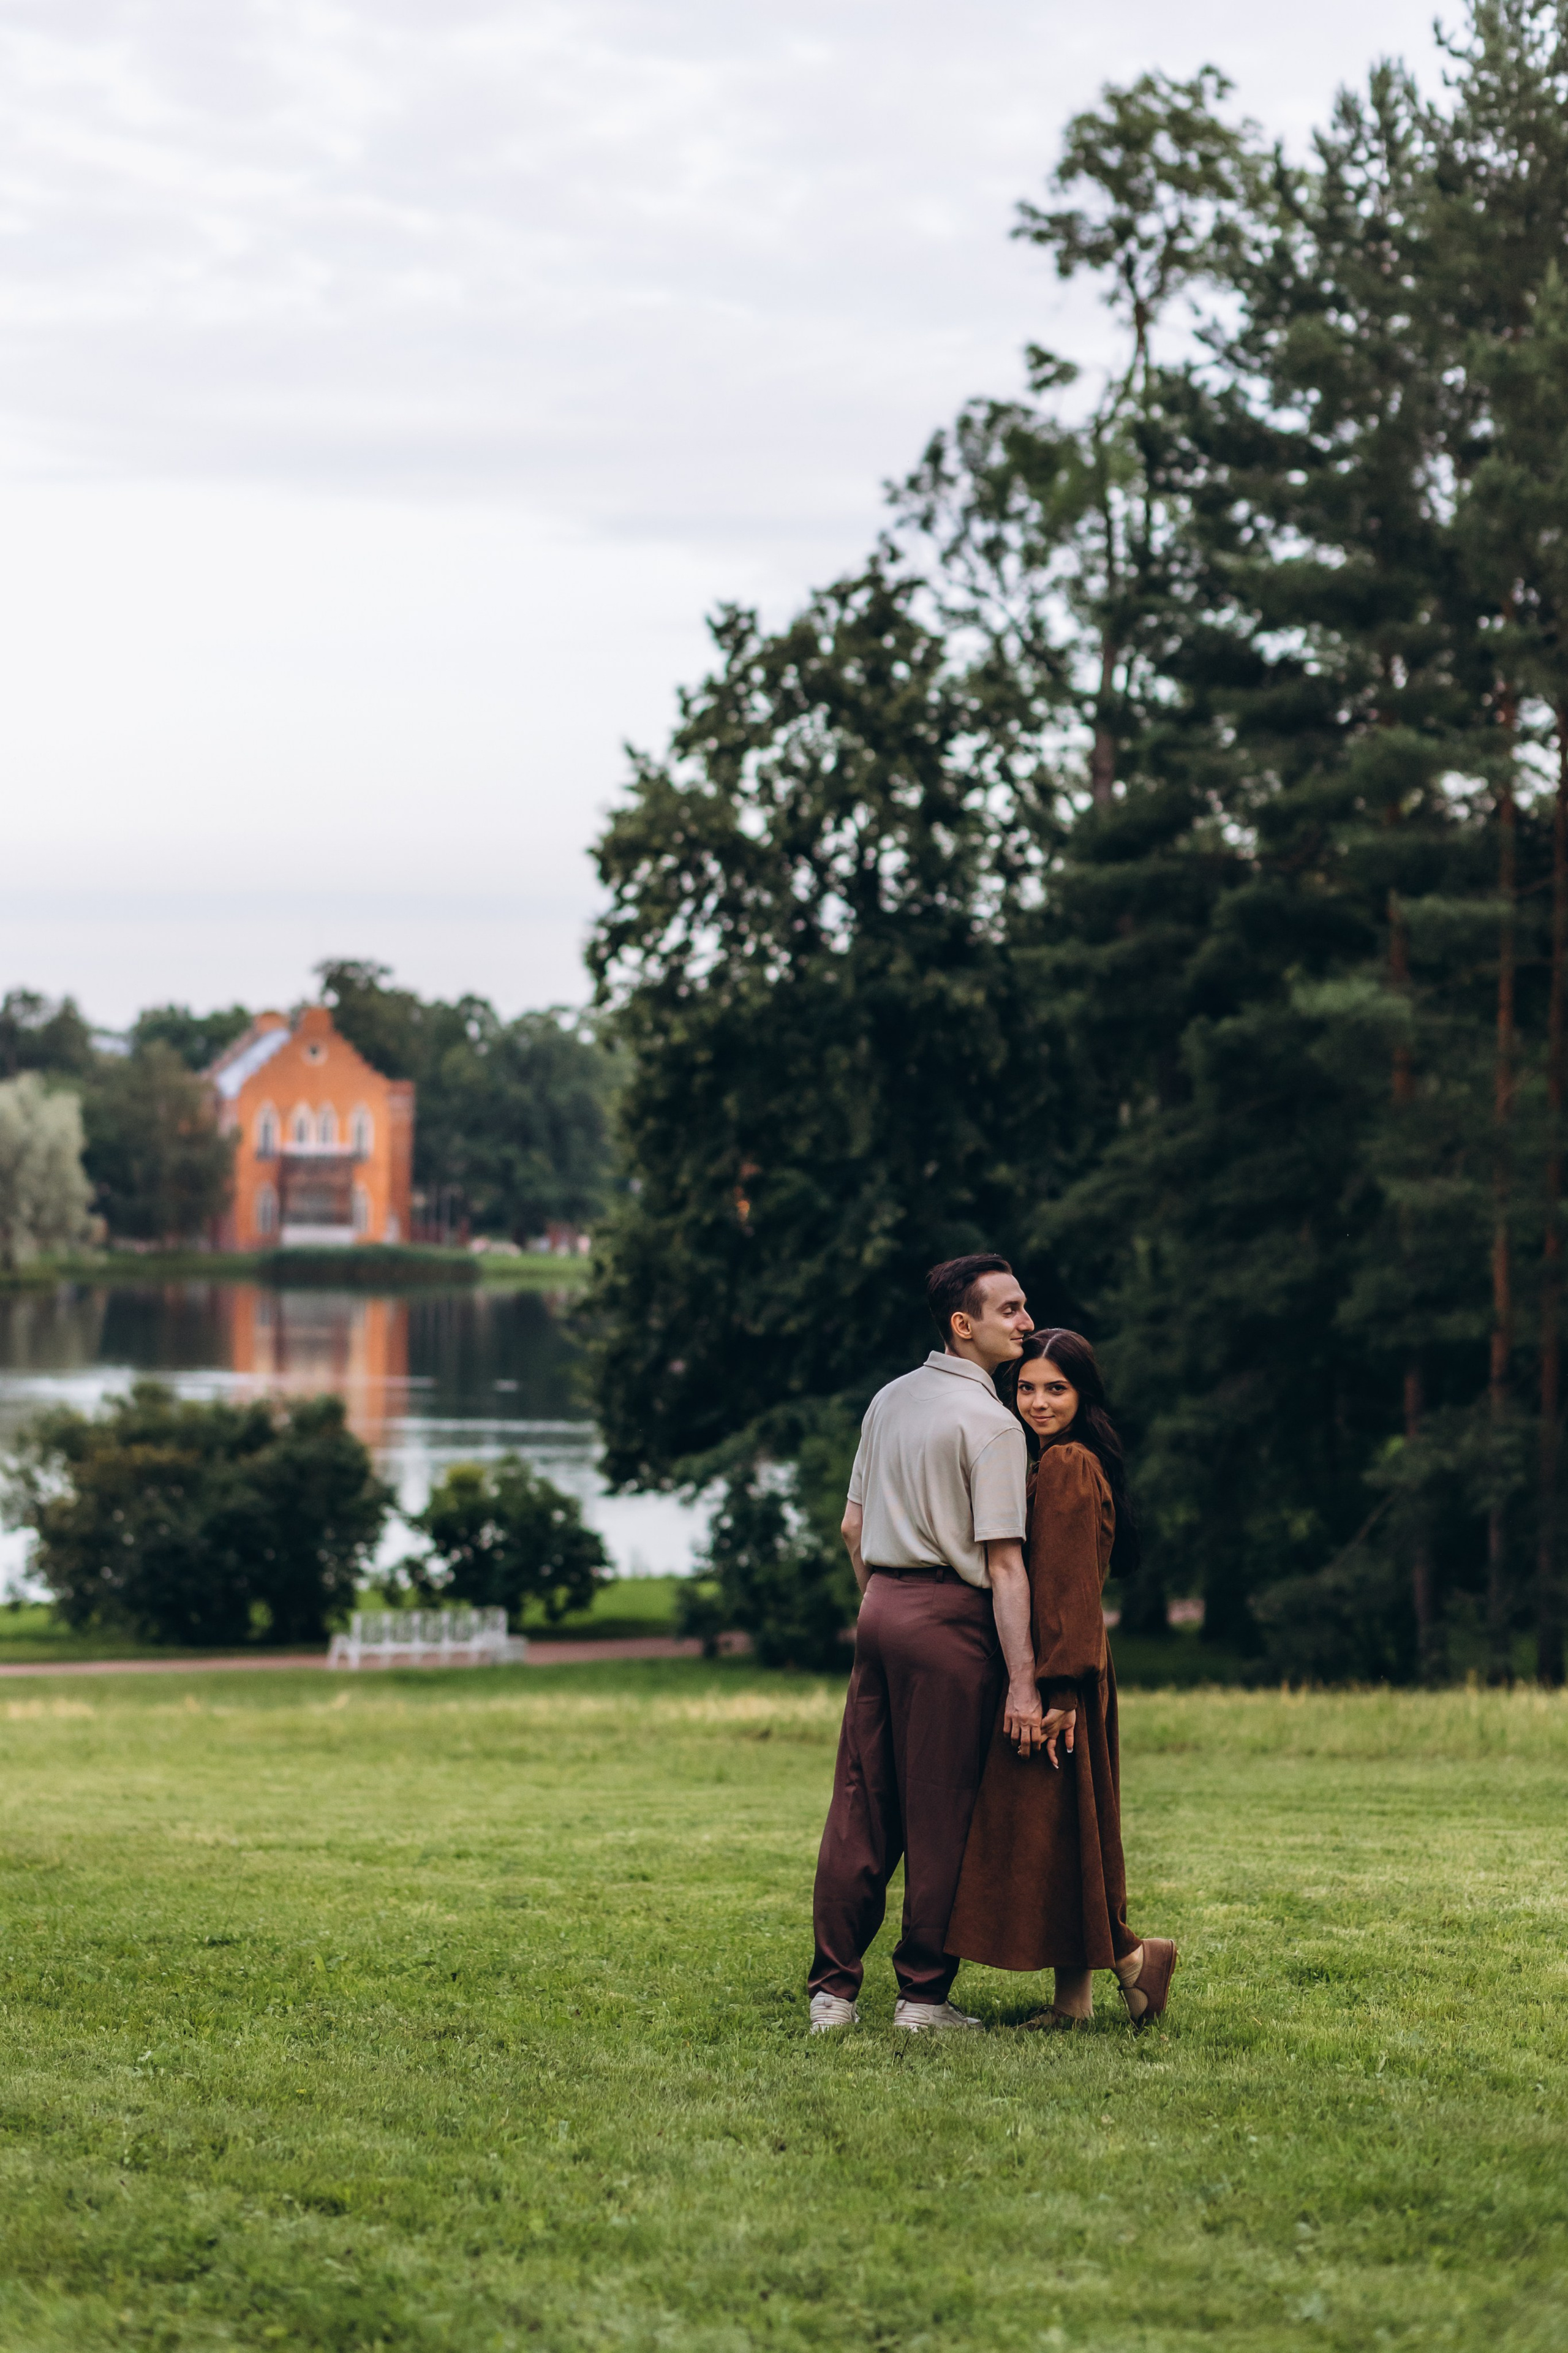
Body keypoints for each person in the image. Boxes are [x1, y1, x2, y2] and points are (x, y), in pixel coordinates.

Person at [807, 1255, 1076, 2033]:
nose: (1027, 1323)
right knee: (940, 1813)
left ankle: (832, 1994)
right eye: (1011, 1310)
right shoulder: (991, 1421)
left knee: (859, 1806)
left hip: (880, 1608)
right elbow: (1004, 1565)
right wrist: (1024, 1684)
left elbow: (853, 1527)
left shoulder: (889, 1398)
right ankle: (921, 2000)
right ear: (965, 1325)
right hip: (951, 1622)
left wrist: (880, 1602)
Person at [945, 1329, 1177, 2031]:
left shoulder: (1071, 1463)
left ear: (1083, 1394)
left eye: (1056, 1388)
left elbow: (1069, 1586)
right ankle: (1075, 2003)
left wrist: (1061, 1691)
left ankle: (1137, 1961)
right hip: (1065, 1670)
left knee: (1052, 1828)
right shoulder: (1051, 1460)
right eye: (1026, 1388)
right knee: (1063, 1830)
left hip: (1062, 1676)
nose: (1038, 1401)